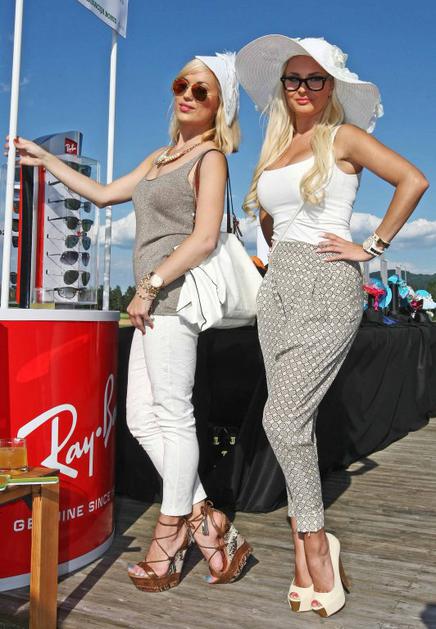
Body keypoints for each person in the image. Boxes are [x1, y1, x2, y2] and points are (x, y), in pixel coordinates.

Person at [6, 51, 252, 592]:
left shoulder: (211, 158)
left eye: (202, 90)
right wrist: (45, 161)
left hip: (173, 299)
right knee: (142, 418)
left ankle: (170, 534)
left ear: (219, 106)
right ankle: (206, 521)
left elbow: (204, 238)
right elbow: (104, 195)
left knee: (174, 417)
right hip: (151, 303)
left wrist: (150, 285)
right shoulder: (161, 157)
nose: (187, 95)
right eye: (182, 84)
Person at [236, 35, 428, 617]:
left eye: (314, 79)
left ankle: (317, 542)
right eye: (293, 79)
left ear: (332, 87)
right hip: (278, 288)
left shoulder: (342, 137)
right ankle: (302, 548)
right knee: (295, 422)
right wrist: (275, 252)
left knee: (281, 417)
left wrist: (371, 247)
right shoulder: (276, 148)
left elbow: (413, 179)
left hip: (327, 283)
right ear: (283, 87)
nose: (302, 88)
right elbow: (270, 221)